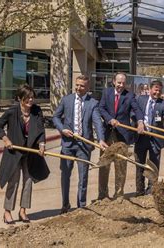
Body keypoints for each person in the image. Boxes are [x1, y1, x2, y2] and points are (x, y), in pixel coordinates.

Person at [53, 75, 107, 214]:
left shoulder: (92, 103)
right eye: (77, 85)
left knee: (83, 177)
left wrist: (101, 139)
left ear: (88, 87)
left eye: (82, 86)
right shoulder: (66, 100)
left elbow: (97, 122)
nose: (78, 88)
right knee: (65, 175)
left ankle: (81, 206)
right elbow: (56, 117)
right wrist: (62, 129)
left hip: (84, 145)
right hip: (68, 145)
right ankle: (65, 205)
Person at [0, 84, 49, 224]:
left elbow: (41, 130)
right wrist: (5, 139)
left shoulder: (36, 111)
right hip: (14, 152)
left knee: (28, 181)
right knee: (13, 181)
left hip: (30, 151)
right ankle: (7, 212)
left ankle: (23, 210)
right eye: (27, 98)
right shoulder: (12, 111)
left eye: (32, 98)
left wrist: (42, 144)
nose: (31, 101)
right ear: (20, 98)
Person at [98, 72, 145, 199]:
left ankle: (119, 194)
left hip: (122, 135)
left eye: (123, 83)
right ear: (114, 82)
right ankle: (102, 195)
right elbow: (101, 108)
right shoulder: (106, 92)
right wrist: (109, 119)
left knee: (121, 166)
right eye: (119, 82)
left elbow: (137, 109)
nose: (121, 85)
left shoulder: (129, 96)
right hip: (107, 134)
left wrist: (140, 121)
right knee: (104, 164)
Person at [134, 81, 164, 196]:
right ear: (150, 89)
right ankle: (139, 190)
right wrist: (138, 123)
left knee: (153, 165)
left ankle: (151, 190)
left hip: (156, 138)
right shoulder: (140, 99)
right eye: (155, 90)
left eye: (159, 90)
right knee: (139, 164)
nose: (157, 92)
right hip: (141, 137)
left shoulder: (163, 104)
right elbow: (133, 113)